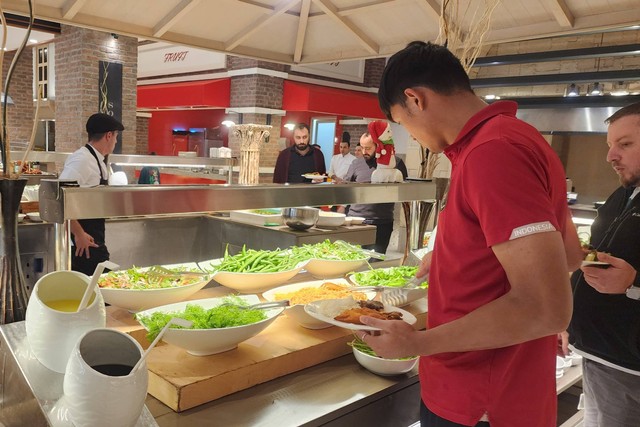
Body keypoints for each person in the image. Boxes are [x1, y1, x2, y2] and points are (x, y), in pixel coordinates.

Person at [358, 41, 581, 427]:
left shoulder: (493, 152)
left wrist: (416, 343)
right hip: (505, 391)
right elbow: (570, 255)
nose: (409, 134)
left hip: (481, 397)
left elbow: (546, 307)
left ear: (415, 99)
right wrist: (452, 258)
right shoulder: (517, 138)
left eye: (401, 121)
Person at [563, 102, 640, 427]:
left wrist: (634, 284)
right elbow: (603, 254)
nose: (611, 156)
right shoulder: (624, 194)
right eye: (610, 145)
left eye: (625, 144)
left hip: (628, 365)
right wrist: (565, 319)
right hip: (598, 354)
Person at [59, 113, 124, 276]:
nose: (116, 141)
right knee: (99, 285)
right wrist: (79, 233)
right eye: (116, 136)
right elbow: (61, 197)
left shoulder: (97, 160)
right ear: (109, 135)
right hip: (83, 244)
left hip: (94, 237)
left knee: (101, 285)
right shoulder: (81, 160)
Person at [341, 131, 407, 255]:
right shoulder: (356, 163)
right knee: (352, 261)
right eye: (362, 147)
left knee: (376, 262)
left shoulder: (395, 163)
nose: (364, 152)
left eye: (368, 148)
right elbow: (346, 188)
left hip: (382, 221)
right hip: (356, 220)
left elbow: (404, 189)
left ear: (378, 146)